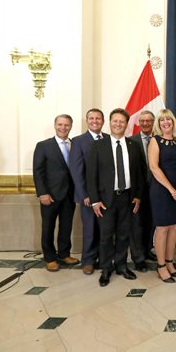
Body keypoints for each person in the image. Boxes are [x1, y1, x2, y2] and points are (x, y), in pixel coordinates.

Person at [87, 108, 143, 287]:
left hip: (127, 198)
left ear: (127, 125)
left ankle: (121, 265)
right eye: (115, 121)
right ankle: (105, 268)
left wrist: (138, 196)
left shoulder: (134, 145)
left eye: (122, 122)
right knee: (106, 236)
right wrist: (95, 200)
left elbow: (140, 174)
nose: (118, 124)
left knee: (124, 235)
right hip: (105, 200)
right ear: (109, 123)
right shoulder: (98, 146)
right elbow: (91, 175)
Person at [33, 114, 79, 272]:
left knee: (66, 226)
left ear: (71, 127)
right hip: (50, 195)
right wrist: (42, 193)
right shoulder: (43, 146)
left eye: (66, 125)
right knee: (48, 227)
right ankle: (50, 258)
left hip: (69, 195)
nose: (63, 128)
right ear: (55, 125)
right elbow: (38, 171)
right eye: (60, 124)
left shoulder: (75, 144)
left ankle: (64, 254)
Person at [149, 109, 176, 283]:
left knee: (175, 227)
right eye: (162, 120)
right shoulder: (155, 141)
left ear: (173, 122)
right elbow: (154, 167)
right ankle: (161, 266)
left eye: (169, 119)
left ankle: (170, 262)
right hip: (161, 190)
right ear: (159, 123)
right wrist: (171, 189)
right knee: (162, 228)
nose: (166, 122)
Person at [69, 108, 109, 275]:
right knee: (90, 229)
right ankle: (88, 261)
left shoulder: (109, 138)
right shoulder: (78, 141)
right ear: (87, 121)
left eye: (98, 118)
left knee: (105, 229)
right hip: (88, 196)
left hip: (107, 195)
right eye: (91, 118)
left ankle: (104, 259)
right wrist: (85, 194)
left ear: (103, 121)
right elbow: (76, 171)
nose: (95, 121)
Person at [129, 110, 156, 272]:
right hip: (137, 190)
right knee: (136, 225)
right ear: (139, 123)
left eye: (149, 121)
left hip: (155, 189)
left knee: (151, 223)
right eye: (143, 121)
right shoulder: (131, 141)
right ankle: (138, 258)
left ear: (153, 122)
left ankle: (147, 250)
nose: (145, 123)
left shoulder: (158, 140)